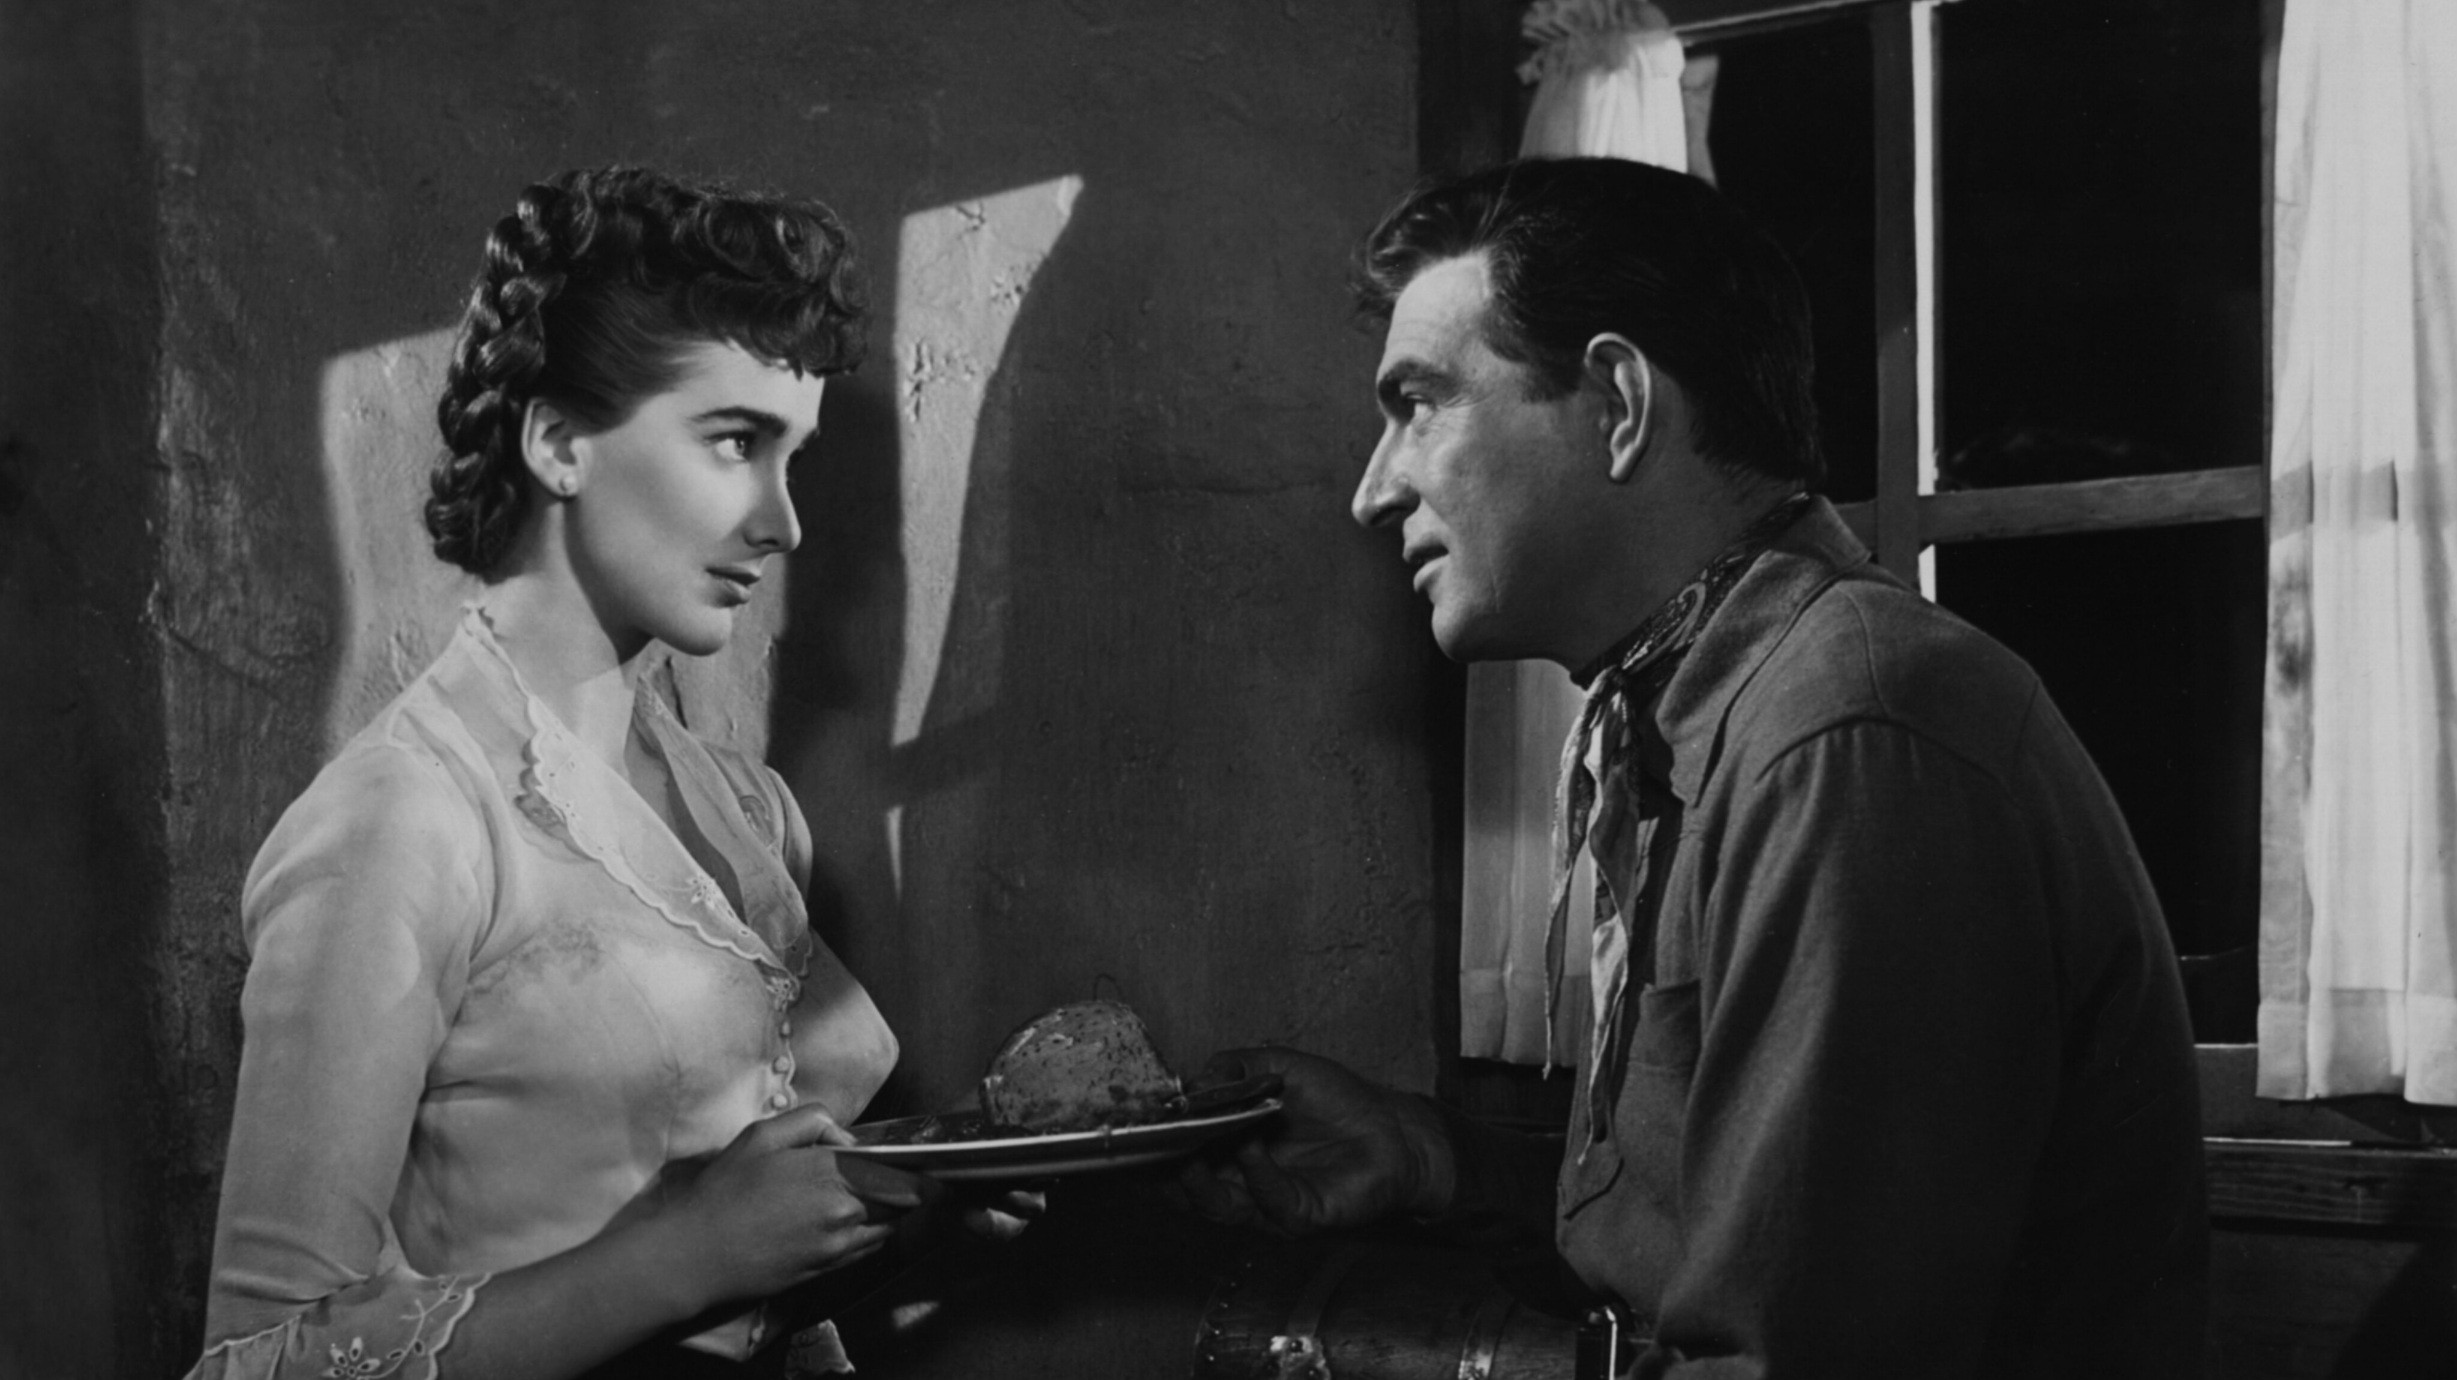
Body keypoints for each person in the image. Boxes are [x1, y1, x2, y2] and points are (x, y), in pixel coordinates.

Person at [1182, 157, 2209, 1378]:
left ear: (1619, 404)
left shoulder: (1846, 734)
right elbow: (1727, 1237)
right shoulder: (1708, 707)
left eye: (1421, 403)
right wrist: (1430, 1158)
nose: (1373, 490)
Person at [187, 167, 1016, 1380]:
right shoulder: (407, 820)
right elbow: (255, 1361)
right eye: (735, 442)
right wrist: (689, 1253)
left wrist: (912, 1223)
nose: (783, 521)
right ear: (560, 442)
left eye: (792, 455)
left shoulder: (743, 812)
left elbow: (743, 1301)